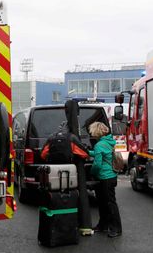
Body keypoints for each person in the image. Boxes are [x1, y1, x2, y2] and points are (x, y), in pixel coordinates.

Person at [40, 100, 93, 236]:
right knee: (74, 197)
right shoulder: (72, 138)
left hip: (54, 176)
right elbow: (85, 154)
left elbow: (43, 154)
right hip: (71, 175)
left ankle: (56, 227)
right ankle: (79, 226)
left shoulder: (52, 138)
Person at [89, 121, 122, 237]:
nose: (91, 133)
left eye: (92, 131)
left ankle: (116, 228)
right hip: (112, 176)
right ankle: (103, 225)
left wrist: (92, 173)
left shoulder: (99, 145)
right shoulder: (108, 142)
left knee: (108, 203)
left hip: (104, 177)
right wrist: (88, 152)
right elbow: (103, 153)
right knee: (105, 202)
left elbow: (97, 165)